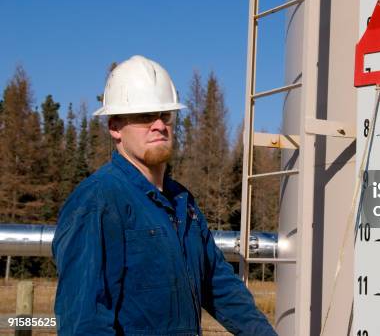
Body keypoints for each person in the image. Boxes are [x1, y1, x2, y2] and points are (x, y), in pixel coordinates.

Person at [52, 55, 277, 336]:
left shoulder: (182, 202)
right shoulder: (98, 201)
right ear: (115, 127)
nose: (159, 125)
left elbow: (218, 285)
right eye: (145, 116)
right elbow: (83, 321)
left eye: (166, 115)